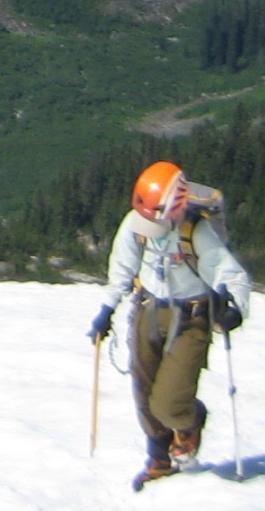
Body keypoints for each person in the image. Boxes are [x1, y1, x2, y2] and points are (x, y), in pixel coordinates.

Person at [85, 160, 254, 483]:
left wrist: (235, 308)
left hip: (192, 316)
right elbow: (122, 269)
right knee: (144, 390)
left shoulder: (195, 230)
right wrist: (107, 310)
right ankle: (159, 458)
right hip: (148, 308)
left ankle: (189, 420)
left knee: (168, 403)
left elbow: (230, 274)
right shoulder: (137, 224)